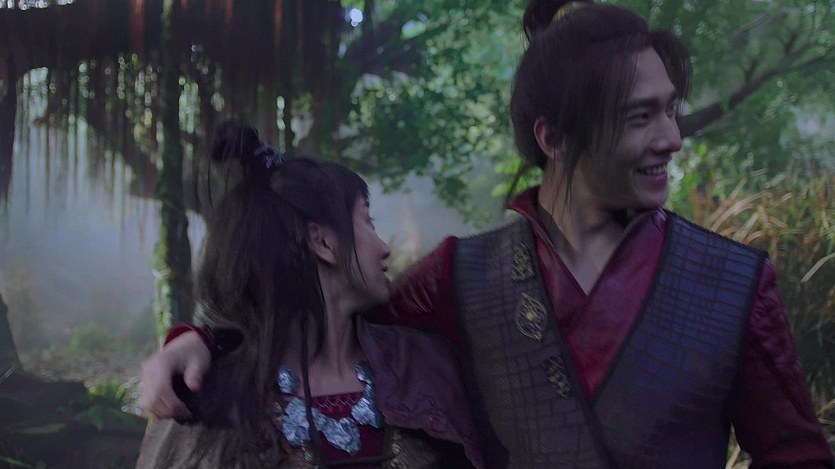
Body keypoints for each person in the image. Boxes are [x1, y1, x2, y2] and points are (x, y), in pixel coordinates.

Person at [139, 1, 834, 467]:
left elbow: (795, 457)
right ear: (553, 137)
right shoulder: (459, 279)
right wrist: (198, 340)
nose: (673, 138)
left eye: (670, 111)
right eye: (640, 117)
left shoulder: (735, 283)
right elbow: (316, 315)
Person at [135, 121, 483, 468]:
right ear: (323, 242)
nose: (384, 248)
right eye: (368, 221)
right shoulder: (210, 396)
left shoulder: (420, 362)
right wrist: (197, 341)